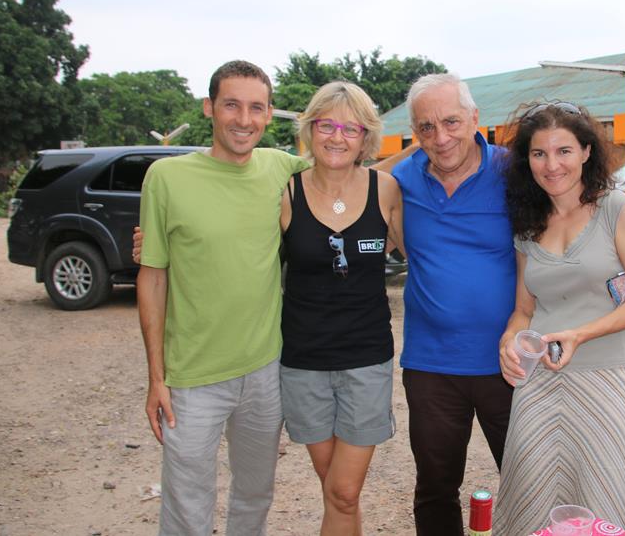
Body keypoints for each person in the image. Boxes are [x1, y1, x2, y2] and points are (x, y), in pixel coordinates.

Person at [137, 60, 309, 534]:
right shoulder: (166, 177)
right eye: (231, 105)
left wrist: (426, 147)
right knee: (187, 502)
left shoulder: (279, 167)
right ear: (209, 108)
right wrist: (156, 378)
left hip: (264, 370)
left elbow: (353, 171)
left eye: (256, 108)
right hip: (191, 377)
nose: (244, 119)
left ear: (269, 113)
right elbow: (152, 279)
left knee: (255, 493)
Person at [494, 101, 625, 534]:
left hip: (604, 380)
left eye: (564, 151)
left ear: (587, 152)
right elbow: (524, 310)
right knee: (530, 496)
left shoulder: (617, 210)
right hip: (538, 384)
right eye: (539, 153)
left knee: (601, 499)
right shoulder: (528, 222)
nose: (552, 165)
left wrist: (580, 334)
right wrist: (509, 341)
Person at [391, 73, 516, 536]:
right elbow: (344, 181)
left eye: (451, 122)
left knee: (528, 481)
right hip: (431, 366)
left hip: (508, 362)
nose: (440, 138)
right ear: (414, 133)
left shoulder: (513, 172)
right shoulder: (401, 179)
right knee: (436, 487)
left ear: (475, 118)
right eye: (426, 127)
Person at [279, 81, 404, 536]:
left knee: (344, 491)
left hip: (366, 360)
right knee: (333, 488)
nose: (337, 137)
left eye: (350, 128)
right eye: (327, 125)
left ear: (365, 137)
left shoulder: (386, 190)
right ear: (310, 129)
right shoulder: (286, 192)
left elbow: (424, 253)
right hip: (304, 362)